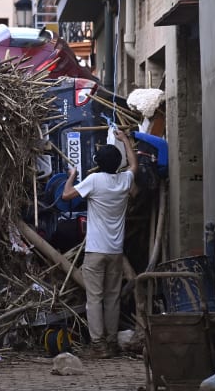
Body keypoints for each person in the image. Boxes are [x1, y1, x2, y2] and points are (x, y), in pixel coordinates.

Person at [61, 127, 138, 357]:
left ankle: (98, 346)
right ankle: (113, 343)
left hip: (95, 251)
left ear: (99, 163)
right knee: (112, 298)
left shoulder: (94, 180)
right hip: (115, 251)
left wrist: (72, 175)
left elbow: (66, 195)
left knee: (94, 299)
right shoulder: (124, 180)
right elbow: (134, 165)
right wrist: (125, 140)